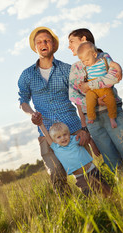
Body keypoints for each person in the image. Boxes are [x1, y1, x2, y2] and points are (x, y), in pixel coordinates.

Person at [17, 26, 90, 195]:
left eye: (47, 40)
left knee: (86, 173)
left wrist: (85, 128)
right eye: (39, 42)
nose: (43, 44)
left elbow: (80, 100)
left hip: (73, 128)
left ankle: (97, 204)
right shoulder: (27, 75)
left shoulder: (67, 69)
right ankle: (69, 213)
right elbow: (23, 101)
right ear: (35, 47)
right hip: (47, 134)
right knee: (57, 176)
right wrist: (32, 114)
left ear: (54, 45)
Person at [68, 28, 123, 174]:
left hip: (112, 112)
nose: (69, 46)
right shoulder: (75, 67)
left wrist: (90, 85)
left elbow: (114, 77)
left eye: (71, 41)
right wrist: (94, 101)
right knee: (112, 161)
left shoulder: (103, 57)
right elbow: (73, 94)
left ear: (83, 40)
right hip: (93, 120)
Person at [40, 122, 111, 196]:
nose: (63, 138)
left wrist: (93, 145)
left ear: (69, 134)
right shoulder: (56, 147)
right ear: (54, 140)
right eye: (59, 137)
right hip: (79, 177)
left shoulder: (74, 139)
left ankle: (113, 200)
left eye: (65, 134)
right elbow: (46, 135)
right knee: (89, 196)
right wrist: (40, 124)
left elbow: (88, 139)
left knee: (105, 190)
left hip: (92, 170)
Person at [77, 41, 121, 128]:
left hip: (103, 87)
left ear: (94, 55)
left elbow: (115, 65)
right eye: (83, 61)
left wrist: (119, 70)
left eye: (87, 60)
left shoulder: (103, 61)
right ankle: (91, 117)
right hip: (92, 88)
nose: (85, 62)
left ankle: (112, 118)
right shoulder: (86, 68)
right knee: (89, 99)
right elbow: (85, 79)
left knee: (111, 100)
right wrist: (82, 84)